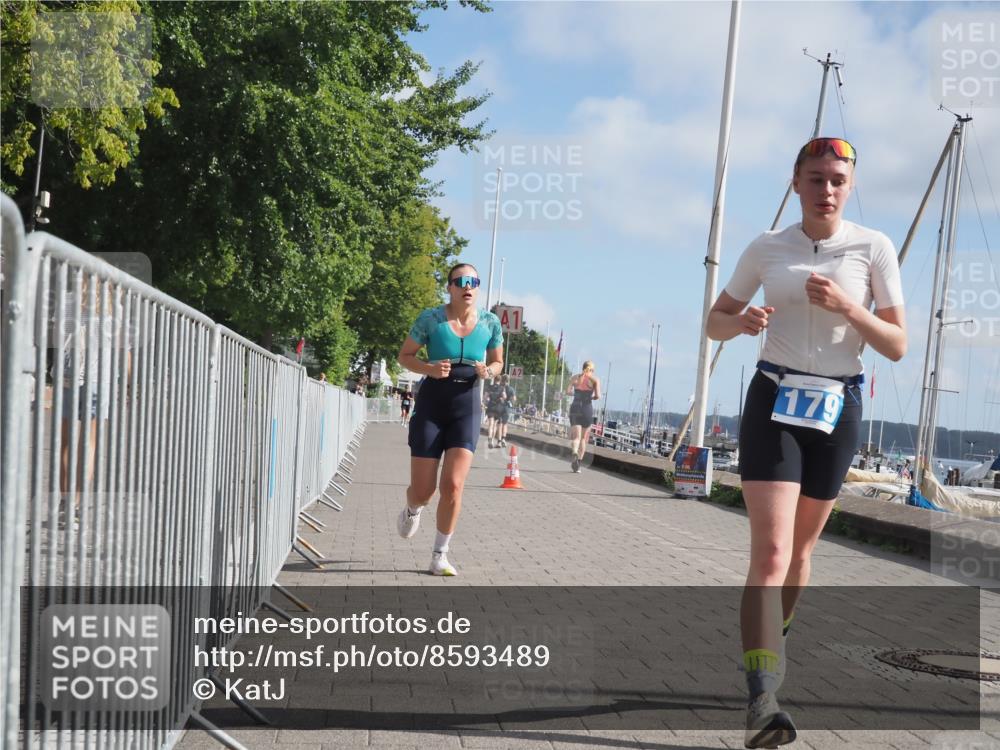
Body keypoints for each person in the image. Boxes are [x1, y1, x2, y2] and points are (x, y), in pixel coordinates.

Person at [706, 137, 906, 748]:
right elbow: (714, 319)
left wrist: (849, 304)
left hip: (837, 405)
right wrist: (740, 324)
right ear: (795, 183)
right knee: (769, 552)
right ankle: (762, 701)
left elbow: (896, 344)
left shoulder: (874, 247)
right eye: (815, 177)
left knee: (798, 556)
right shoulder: (768, 248)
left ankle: (777, 628)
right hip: (774, 398)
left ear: (850, 186)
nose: (827, 189)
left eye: (838, 180)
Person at [396, 263, 504, 576]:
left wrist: (489, 371)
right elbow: (404, 356)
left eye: (474, 281)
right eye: (461, 281)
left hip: (466, 408)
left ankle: (439, 555)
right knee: (424, 491)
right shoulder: (430, 318)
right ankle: (412, 508)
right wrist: (428, 368)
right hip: (431, 406)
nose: (467, 286)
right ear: (450, 288)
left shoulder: (489, 322)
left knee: (454, 485)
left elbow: (498, 362)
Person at [566, 361, 601, 473]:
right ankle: (578, 464)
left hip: (575, 408)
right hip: (587, 409)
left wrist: (576, 394)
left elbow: (567, 392)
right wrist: (592, 397)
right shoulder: (594, 380)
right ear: (591, 370)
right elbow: (597, 396)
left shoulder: (575, 378)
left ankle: (574, 452)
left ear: (583, 368)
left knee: (576, 437)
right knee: (583, 439)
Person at [494, 374, 515, 447]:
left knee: (499, 424)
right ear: (508, 380)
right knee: (505, 424)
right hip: (507, 408)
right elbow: (514, 399)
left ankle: (499, 442)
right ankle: (503, 439)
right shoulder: (511, 389)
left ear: (502, 380)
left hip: (499, 407)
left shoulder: (499, 388)